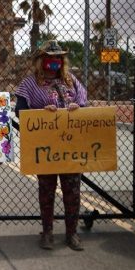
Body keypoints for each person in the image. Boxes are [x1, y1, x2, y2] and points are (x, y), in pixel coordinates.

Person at [14, 40, 88, 251]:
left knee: (72, 189)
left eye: (57, 58)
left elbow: (84, 104)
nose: (53, 61)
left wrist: (77, 107)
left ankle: (72, 233)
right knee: (47, 189)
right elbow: (20, 111)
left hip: (71, 145)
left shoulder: (71, 80)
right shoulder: (29, 83)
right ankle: (47, 232)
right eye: (49, 58)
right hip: (45, 146)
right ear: (41, 61)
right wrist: (40, 112)